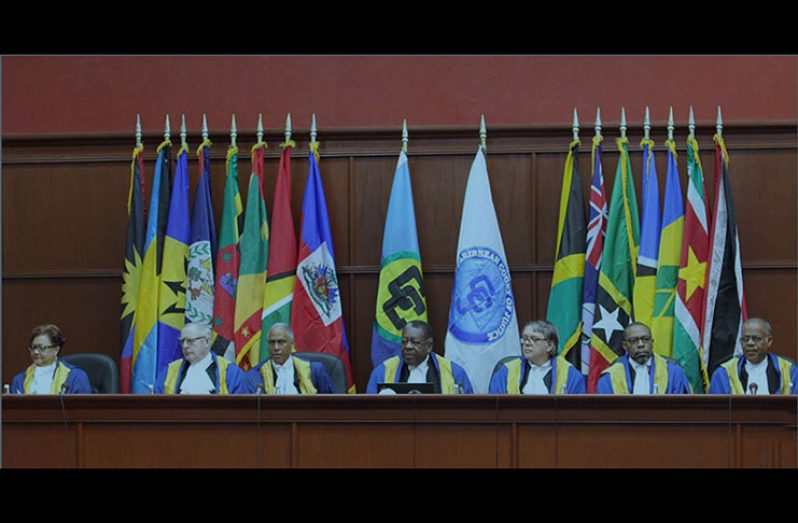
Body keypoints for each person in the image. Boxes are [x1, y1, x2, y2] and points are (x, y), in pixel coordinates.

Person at [366, 320, 474, 394]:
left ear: (429, 346)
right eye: (404, 342)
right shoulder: (383, 371)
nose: (408, 347)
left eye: (415, 343)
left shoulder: (453, 372)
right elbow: (371, 410)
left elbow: (467, 410)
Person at [489, 320, 585, 394]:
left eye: (534, 339)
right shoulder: (506, 372)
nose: (527, 343)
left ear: (550, 345)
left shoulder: (570, 375)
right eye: (525, 338)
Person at [708, 317, 797, 395]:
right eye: (745, 339)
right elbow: (715, 411)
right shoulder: (723, 374)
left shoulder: (789, 372)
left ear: (769, 341)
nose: (750, 343)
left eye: (756, 339)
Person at [597, 322, 691, 395]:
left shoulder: (674, 373)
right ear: (625, 346)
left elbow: (682, 411)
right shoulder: (610, 377)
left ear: (652, 342)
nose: (641, 344)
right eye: (634, 341)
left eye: (645, 339)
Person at [243, 323, 335, 394]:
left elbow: (331, 406)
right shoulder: (256, 375)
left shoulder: (314, 371)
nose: (276, 347)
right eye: (272, 342)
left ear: (292, 344)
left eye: (281, 342)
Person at [154, 323, 245, 394]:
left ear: (206, 342)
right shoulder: (170, 371)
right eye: (182, 341)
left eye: (190, 341)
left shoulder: (229, 371)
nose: (185, 346)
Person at [11, 324, 91, 394]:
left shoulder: (76, 377)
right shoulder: (20, 380)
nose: (35, 352)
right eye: (33, 347)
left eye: (42, 348)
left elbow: (83, 409)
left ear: (56, 350)